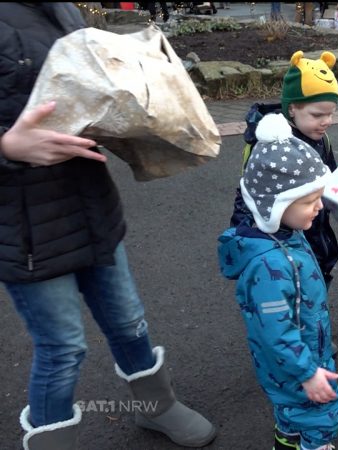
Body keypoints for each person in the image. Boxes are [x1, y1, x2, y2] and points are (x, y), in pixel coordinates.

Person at [0, 3, 216, 449]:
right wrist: (7, 144)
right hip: (23, 226)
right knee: (62, 349)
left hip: (89, 202)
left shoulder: (61, 10)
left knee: (129, 320)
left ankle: (155, 406)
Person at [217, 112, 338, 450]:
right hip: (295, 366)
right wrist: (307, 372)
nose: (319, 207)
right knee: (321, 415)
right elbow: (275, 332)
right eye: (308, 201)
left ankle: (288, 439)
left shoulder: (284, 235)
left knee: (292, 414)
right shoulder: (268, 266)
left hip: (301, 354)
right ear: (273, 206)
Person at [232, 50, 338, 288]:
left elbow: (334, 183)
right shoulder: (269, 148)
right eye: (317, 114)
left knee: (316, 288)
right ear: (292, 108)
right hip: (283, 249)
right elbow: (249, 196)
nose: (327, 121)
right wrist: (244, 242)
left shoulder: (322, 139)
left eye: (331, 114)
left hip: (318, 237)